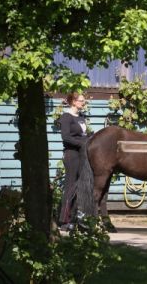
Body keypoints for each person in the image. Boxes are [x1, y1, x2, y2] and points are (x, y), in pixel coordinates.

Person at [58, 92, 90, 230]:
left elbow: (84, 135)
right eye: (81, 101)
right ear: (73, 102)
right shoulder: (66, 117)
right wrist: (83, 144)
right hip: (71, 155)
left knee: (79, 187)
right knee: (70, 186)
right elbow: (66, 137)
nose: (84, 103)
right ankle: (64, 221)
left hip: (82, 154)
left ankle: (75, 218)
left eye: (84, 101)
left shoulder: (81, 117)